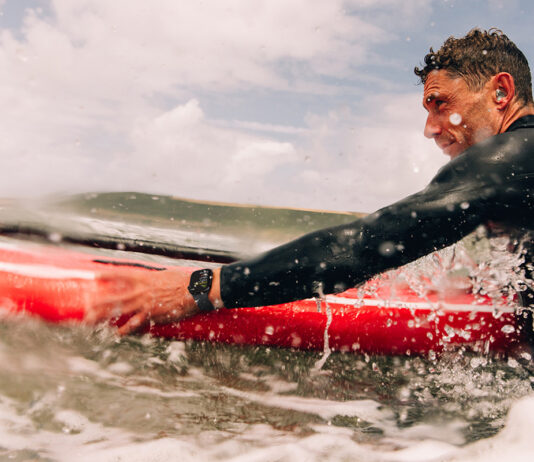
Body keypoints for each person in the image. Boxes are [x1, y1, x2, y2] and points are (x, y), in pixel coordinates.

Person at [88, 28, 534, 339]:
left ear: (500, 92)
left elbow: (364, 245)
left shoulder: (509, 159)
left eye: (440, 104)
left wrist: (198, 288)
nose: (430, 128)